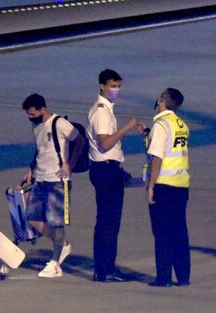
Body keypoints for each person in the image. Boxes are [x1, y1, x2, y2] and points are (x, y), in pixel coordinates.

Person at [22, 93, 85, 278]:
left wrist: (70, 164)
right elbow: (40, 149)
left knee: (56, 223)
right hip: (40, 179)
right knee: (32, 218)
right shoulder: (36, 126)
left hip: (58, 181)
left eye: (33, 114)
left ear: (43, 109)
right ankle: (63, 245)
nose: (31, 118)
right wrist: (31, 169)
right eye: (29, 115)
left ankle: (55, 262)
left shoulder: (59, 124)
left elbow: (80, 141)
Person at [86, 69, 138, 282]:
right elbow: (105, 143)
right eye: (112, 86)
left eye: (118, 86)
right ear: (102, 86)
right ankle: (106, 268)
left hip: (108, 170)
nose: (116, 90)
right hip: (105, 170)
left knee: (108, 221)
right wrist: (127, 127)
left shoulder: (104, 110)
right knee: (109, 222)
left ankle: (105, 267)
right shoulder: (102, 112)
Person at [143, 88, 191, 287]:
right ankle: (183, 275)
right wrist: (147, 134)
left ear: (162, 100)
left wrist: (151, 186)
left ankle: (163, 277)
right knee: (179, 230)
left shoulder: (161, 125)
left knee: (162, 232)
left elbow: (158, 158)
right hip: (181, 185)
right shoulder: (181, 124)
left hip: (164, 185)